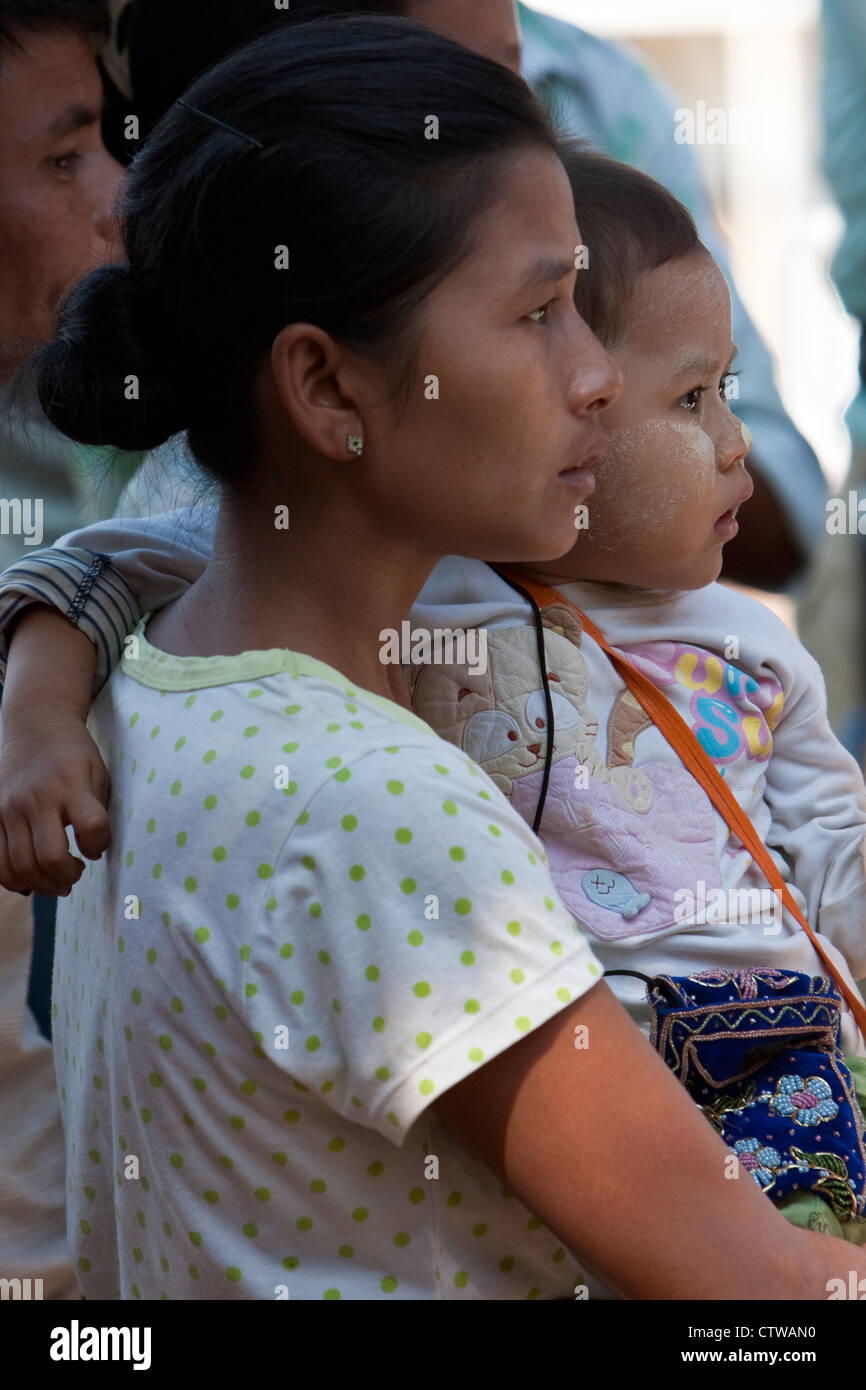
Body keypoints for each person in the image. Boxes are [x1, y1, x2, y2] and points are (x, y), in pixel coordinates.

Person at [2, 17, 866, 1302]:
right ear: (329, 391)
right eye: (537, 314)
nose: (594, 379)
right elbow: (767, 1295)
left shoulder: (156, 692)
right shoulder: (373, 803)